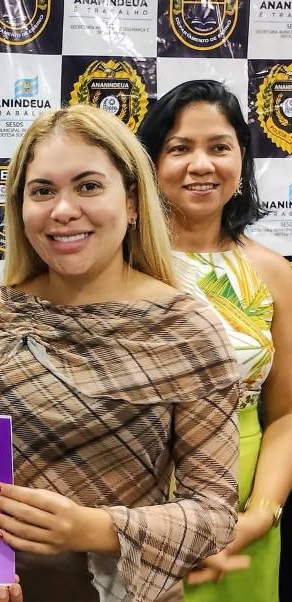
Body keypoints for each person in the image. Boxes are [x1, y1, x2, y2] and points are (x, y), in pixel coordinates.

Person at [0, 104, 241, 602]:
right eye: (42, 191)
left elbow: (215, 514)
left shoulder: (186, 329)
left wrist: (92, 528)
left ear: (131, 202)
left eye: (88, 186)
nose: (63, 210)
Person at [138, 80, 292, 602]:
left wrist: (259, 516)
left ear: (242, 160)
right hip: (134, 500)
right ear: (150, 163)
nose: (200, 165)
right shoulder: (121, 267)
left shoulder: (274, 273)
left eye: (219, 147)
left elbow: (286, 414)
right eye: (179, 148)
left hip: (245, 498)